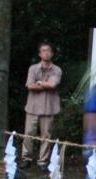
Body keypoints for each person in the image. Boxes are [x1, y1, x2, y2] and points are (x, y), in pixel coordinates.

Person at [20, 41, 62, 170]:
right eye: (43, 50)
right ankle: (26, 158)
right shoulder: (33, 68)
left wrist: (39, 83)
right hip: (33, 107)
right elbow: (30, 86)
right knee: (28, 134)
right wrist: (45, 84)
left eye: (48, 50)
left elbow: (53, 84)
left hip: (49, 107)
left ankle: (42, 161)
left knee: (46, 136)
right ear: (39, 54)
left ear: (52, 53)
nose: (46, 53)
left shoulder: (57, 70)